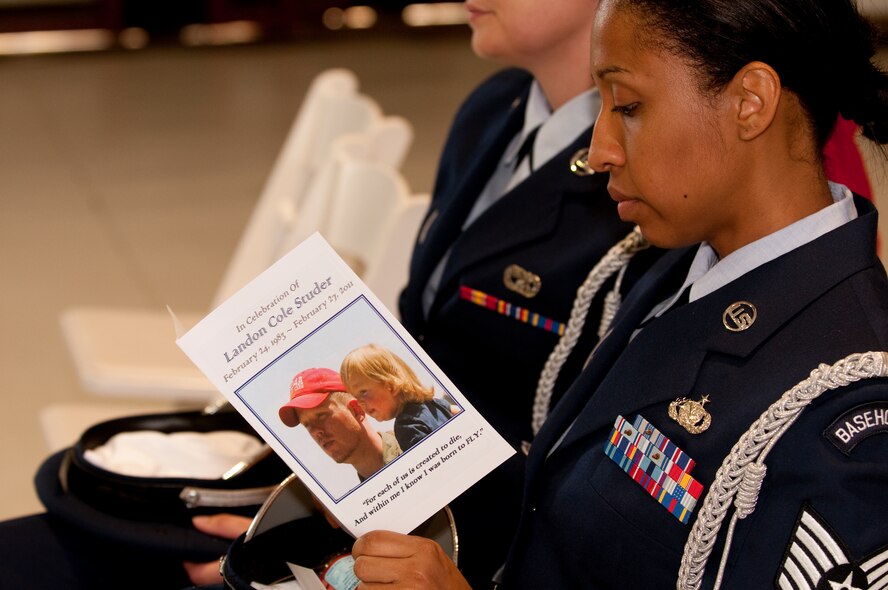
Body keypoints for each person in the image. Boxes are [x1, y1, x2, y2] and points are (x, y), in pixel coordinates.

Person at [350, 0, 888, 587]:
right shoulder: (684, 272)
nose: (600, 147)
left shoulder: (848, 409)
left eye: (628, 106)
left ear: (750, 102)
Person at [278, 367, 402, 480]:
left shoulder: (416, 443)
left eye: (321, 416)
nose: (315, 431)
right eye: (307, 424)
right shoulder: (357, 503)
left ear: (356, 410)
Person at [340, 343, 456, 451]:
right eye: (355, 396)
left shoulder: (407, 427)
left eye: (363, 392)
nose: (360, 402)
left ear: (391, 386)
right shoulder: (432, 404)